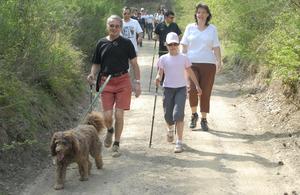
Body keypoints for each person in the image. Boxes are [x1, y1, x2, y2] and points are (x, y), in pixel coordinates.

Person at [87, 15, 141, 157]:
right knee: (107, 116)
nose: (114, 28)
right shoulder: (101, 43)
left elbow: (134, 64)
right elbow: (96, 63)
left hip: (123, 81)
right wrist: (92, 74)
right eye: (112, 25)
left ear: (121, 28)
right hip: (106, 82)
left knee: (119, 114)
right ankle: (109, 130)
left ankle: (116, 143)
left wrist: (137, 83)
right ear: (107, 26)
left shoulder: (127, 43)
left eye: (117, 26)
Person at [155, 32, 201, 153]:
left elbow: (190, 72)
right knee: (168, 115)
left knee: (178, 114)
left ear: (178, 44)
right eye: (170, 44)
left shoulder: (184, 58)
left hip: (181, 88)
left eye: (175, 44)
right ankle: (170, 129)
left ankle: (179, 142)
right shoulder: (163, 59)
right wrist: (158, 78)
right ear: (166, 45)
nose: (173, 46)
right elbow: (160, 73)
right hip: (168, 89)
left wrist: (197, 85)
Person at [180, 3, 222, 131]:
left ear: (208, 15)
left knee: (205, 92)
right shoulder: (190, 28)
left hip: (208, 64)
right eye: (199, 12)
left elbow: (216, 46)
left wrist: (219, 61)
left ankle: (204, 119)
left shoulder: (212, 29)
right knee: (192, 90)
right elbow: (184, 45)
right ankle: (194, 115)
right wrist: (182, 58)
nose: (201, 15)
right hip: (191, 63)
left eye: (204, 12)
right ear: (196, 14)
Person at [154, 10, 181, 85]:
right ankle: (161, 80)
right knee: (161, 65)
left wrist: (177, 44)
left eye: (173, 18)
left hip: (173, 49)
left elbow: (179, 36)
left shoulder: (175, 25)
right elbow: (156, 34)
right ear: (165, 17)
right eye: (171, 17)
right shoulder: (160, 25)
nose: (172, 19)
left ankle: (171, 79)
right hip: (162, 49)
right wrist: (155, 37)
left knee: (172, 65)